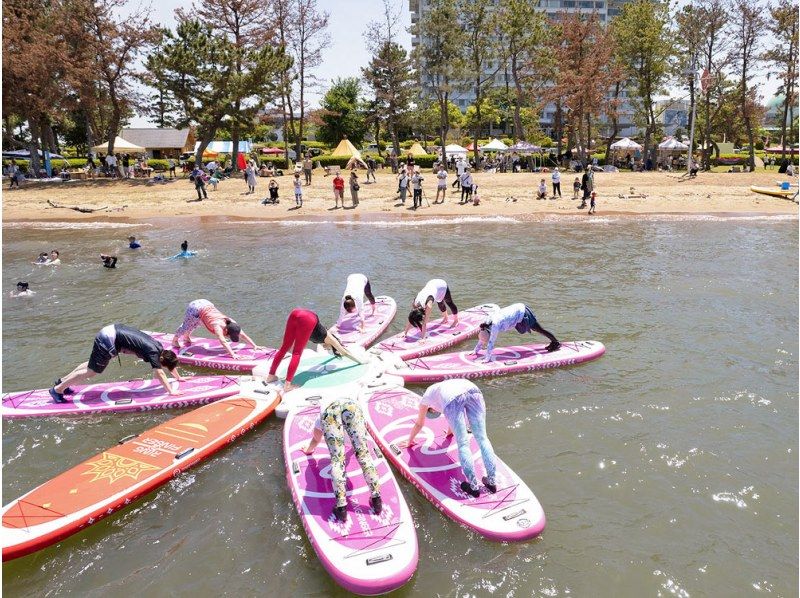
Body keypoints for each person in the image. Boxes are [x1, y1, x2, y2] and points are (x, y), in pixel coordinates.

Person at [399, 379, 497, 498]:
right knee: (483, 439)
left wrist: (410, 441)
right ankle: (491, 482)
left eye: (433, 411)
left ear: (430, 407)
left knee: (463, 443)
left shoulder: (426, 398)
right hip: (474, 391)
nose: (435, 412)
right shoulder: (441, 388)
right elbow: (453, 416)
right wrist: (450, 432)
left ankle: (473, 487)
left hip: (453, 399)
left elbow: (419, 423)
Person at [49, 325, 184, 403]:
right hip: (109, 339)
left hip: (111, 332)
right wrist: (171, 391)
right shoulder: (154, 354)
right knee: (92, 371)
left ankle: (62, 383)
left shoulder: (159, 348)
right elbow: (159, 372)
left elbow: (168, 363)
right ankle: (58, 390)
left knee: (91, 365)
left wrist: (178, 378)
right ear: (162, 360)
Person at [302, 396, 382, 522]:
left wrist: (308, 450)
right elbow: (361, 435)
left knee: (337, 460)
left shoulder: (321, 415)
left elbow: (316, 438)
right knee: (364, 454)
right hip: (352, 406)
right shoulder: (355, 401)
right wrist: (354, 450)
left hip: (330, 411)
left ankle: (341, 508)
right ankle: (377, 500)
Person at [265, 308, 364, 392]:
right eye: (329, 349)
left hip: (296, 313)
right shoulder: (332, 340)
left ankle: (271, 376)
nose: (326, 349)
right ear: (331, 346)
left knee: (285, 347)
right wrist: (361, 361)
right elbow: (345, 352)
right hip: (307, 319)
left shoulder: (327, 338)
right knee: (297, 353)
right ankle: (287, 385)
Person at [173, 299, 262, 359]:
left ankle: (186, 337)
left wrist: (254, 345)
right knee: (187, 324)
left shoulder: (232, 324)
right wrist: (233, 354)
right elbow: (223, 342)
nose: (228, 337)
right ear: (226, 331)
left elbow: (244, 335)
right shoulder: (218, 327)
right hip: (196, 307)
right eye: (228, 336)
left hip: (206, 304)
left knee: (196, 322)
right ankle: (175, 340)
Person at [472, 303, 560, 362]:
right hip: (516, 311)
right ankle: (554, 342)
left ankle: (555, 342)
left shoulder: (494, 325)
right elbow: (483, 338)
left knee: (539, 329)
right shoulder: (485, 324)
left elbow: (491, 342)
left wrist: (487, 359)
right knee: (535, 329)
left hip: (522, 312)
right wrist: (476, 350)